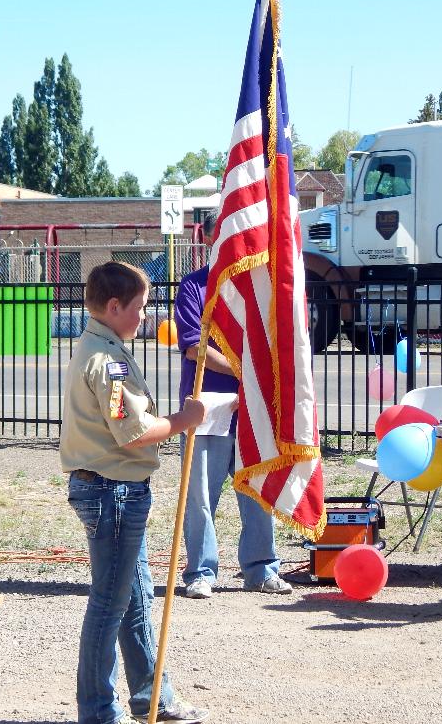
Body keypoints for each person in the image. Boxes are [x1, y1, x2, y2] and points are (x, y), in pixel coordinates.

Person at [60, 261, 210, 724]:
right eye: (141, 308)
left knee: (135, 596)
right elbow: (132, 431)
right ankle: (99, 711)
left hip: (110, 488)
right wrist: (183, 422)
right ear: (113, 306)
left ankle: (152, 696)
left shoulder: (96, 347)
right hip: (114, 491)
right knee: (111, 602)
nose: (146, 317)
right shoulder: (110, 361)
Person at [176, 212, 292, 600]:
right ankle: (201, 572)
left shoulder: (258, 289)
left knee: (256, 490)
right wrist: (249, 373)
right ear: (210, 238)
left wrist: (258, 380)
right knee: (200, 497)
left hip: (251, 408)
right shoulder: (195, 286)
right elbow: (196, 348)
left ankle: (261, 569)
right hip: (207, 406)